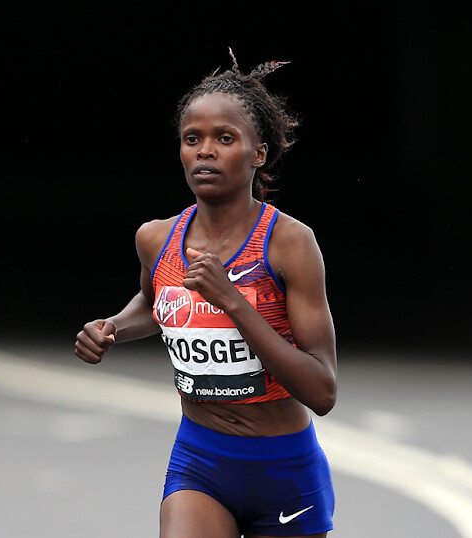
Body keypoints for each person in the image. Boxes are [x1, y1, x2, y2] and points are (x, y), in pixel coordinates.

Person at [75, 50, 337, 538]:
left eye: (225, 138)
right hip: (200, 461)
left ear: (258, 154)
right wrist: (113, 327)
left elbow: (323, 391)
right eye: (192, 139)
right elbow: (155, 304)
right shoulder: (156, 239)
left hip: (283, 470)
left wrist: (233, 302)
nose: (205, 151)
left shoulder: (289, 243)